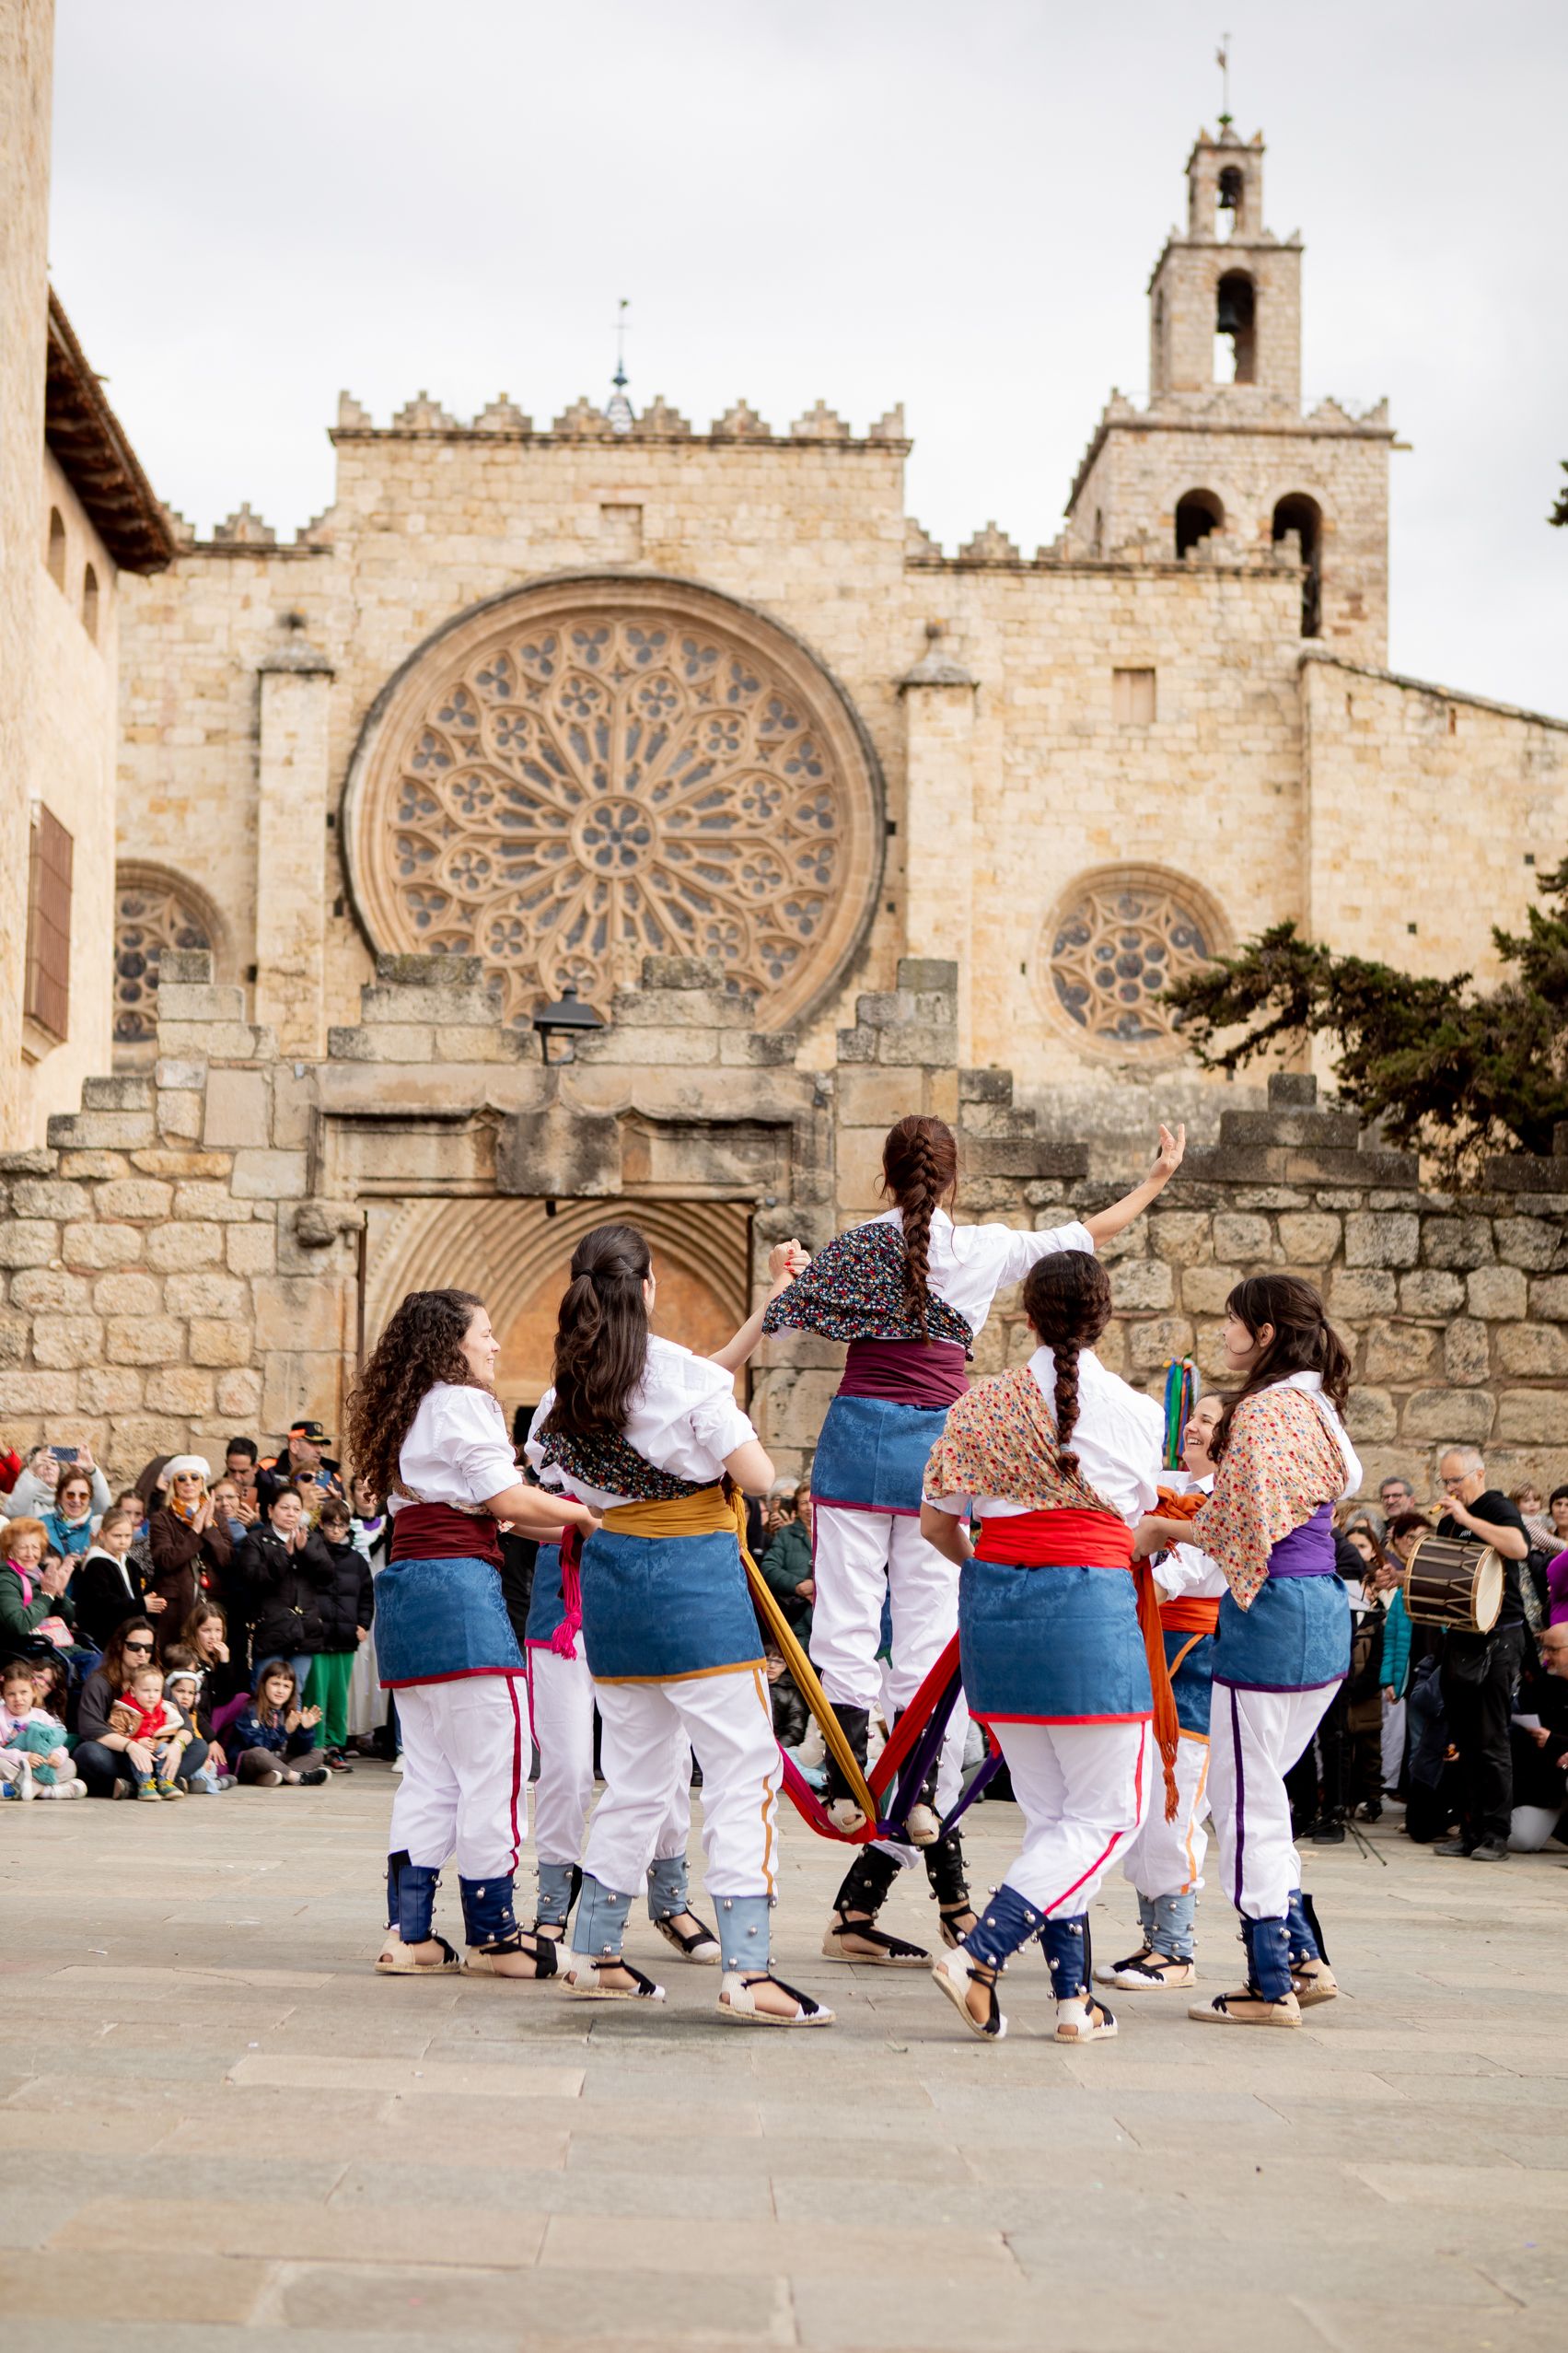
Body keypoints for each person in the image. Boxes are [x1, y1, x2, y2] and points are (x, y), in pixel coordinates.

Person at [761, 1112, 1186, 1971]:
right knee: (922, 1630)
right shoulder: (985, 1246)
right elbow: (1085, 1234)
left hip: (853, 1440)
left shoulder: (855, 1244)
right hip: (932, 1439)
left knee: (845, 1611)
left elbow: (788, 1316)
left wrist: (794, 1271)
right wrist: (1153, 1181)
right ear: (952, 1178)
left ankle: (849, 1784)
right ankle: (916, 1791)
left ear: (886, 1177)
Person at [528, 1225, 832, 2026]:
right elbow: (759, 1477)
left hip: (616, 1594)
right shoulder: (684, 1379)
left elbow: (570, 1486)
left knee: (634, 1780)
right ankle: (749, 1969)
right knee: (740, 1771)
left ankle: (591, 1950)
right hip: (695, 1587)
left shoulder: (560, 1397)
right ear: (651, 1286)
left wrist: (769, 1307)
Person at [919, 1249, 1170, 2044]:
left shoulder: (977, 1403)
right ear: (1104, 1319)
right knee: (1110, 1817)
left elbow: (936, 1524)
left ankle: (1073, 2000)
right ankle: (981, 1952)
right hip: (1086, 1616)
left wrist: (998, 1573)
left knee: (1055, 1820)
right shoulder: (1134, 1411)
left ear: (1025, 1315)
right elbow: (1125, 1531)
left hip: (998, 1616)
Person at [346, 1287, 599, 1982]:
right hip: (459, 1596)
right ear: (449, 1343)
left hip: (410, 1595)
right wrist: (591, 1519)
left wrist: (570, 1523)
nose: (493, 1344)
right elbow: (507, 1499)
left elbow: (502, 1517)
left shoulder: (408, 1409)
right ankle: (495, 1934)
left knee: (429, 1773)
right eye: (484, 1333)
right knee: (496, 1768)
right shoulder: (462, 1402)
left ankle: (410, 1933)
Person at [1134, 1275, 1359, 2028]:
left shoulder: (1264, 1410)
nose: (1223, 1335)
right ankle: (1299, 1957)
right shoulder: (1318, 1403)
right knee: (1263, 1795)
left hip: (1270, 1617)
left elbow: (1237, 1533)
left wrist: (1162, 1531)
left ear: (1263, 1332)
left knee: (1244, 1806)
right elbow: (1344, 1480)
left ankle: (1269, 1981)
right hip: (1323, 1611)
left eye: (1232, 1323)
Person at [1099, 1390, 1225, 1993]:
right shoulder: (1166, 1486)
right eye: (1193, 1415)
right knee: (1144, 1797)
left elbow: (1191, 1570)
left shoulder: (1229, 1497)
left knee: (1175, 1800)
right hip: (1149, 1647)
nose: (1193, 1425)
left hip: (1193, 1660)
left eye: (1207, 1418)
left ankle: (1175, 1949)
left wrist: (1138, 1561)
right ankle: (1154, 1941)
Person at [1432, 1446, 1530, 1863]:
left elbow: (1519, 1548)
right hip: (1461, 1637)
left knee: (1491, 1740)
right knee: (1464, 1741)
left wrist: (1468, 1519)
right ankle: (1470, 1830)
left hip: (1499, 1638)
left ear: (1479, 1475)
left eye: (1457, 1480)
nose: (1451, 1488)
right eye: (1445, 1481)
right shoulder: (1448, 1522)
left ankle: (1496, 1834)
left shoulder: (1496, 1507)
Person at [75, 1620, 211, 1798]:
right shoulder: (99, 1682)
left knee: (199, 1746)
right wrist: (131, 1746)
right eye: (134, 1646)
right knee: (89, 1753)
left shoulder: (155, 1682)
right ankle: (154, 1783)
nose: (142, 1653)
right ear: (120, 1646)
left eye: (148, 1648)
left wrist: (177, 1747)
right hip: (120, 1754)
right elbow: (91, 1729)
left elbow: (186, 1726)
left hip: (156, 1751)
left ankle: (138, 1785)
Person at [239, 1486, 334, 1688]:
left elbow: (328, 1575)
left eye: (296, 1509)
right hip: (270, 1630)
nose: (291, 1514)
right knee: (266, 1693)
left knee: (294, 1693)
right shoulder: (255, 1540)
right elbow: (252, 1578)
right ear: (271, 1510)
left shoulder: (312, 1540)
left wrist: (305, 1550)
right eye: (285, 1508)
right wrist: (284, 1554)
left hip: (305, 1631)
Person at [305, 1495, 374, 1770]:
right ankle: (315, 1745)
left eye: (340, 1525)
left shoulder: (356, 1560)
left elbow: (367, 1595)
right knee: (316, 1693)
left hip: (345, 1637)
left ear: (348, 1527)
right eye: (330, 1525)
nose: (335, 1530)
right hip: (317, 1635)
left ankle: (335, 1746)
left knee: (338, 1695)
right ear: (321, 1525)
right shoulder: (312, 1552)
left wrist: (363, 1624)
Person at [145, 1457, 233, 1658]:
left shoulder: (217, 1517)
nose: (189, 1483)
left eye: (195, 1477)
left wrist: (209, 1528)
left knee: (211, 1661)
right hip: (176, 1606)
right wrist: (195, 1531)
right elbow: (166, 1560)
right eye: (181, 1478)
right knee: (174, 1659)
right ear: (173, 1484)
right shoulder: (162, 1518)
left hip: (211, 1602)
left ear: (202, 1482)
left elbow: (226, 1560)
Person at [1509, 1622, 1568, 1850]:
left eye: (1553, 1650)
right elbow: (1525, 1739)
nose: (1546, 1656)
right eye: (1544, 1649)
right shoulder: (1541, 1687)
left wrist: (1555, 1741)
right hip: (1548, 1783)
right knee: (1520, 1839)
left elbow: (1549, 1739)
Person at [228, 1660, 331, 1786]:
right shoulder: (250, 1709)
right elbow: (259, 1745)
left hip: (276, 1762)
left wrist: (305, 1730)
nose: (280, 1691)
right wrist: (285, 1730)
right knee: (259, 1753)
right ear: (264, 1684)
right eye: (275, 1684)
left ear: (292, 1691)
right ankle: (295, 1777)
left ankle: (276, 1776)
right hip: (250, 1763)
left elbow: (300, 1750)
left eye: (286, 1686)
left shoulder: (290, 1712)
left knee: (316, 1753)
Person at [0, 1655, 83, 1798]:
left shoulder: (43, 1716)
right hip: (14, 1764)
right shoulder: (1, 1715)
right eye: (11, 1694)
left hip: (41, 1766)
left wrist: (58, 1755)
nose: (18, 1699)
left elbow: (58, 1744)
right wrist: (24, 1757)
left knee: (70, 1766)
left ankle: (29, 1788)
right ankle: (47, 1791)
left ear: (33, 1692)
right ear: (3, 1696)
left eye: (23, 1692)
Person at [110, 1661, 193, 1800]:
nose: (151, 1696)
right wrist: (136, 1742)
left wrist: (176, 1746)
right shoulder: (124, 1711)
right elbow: (115, 1733)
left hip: (156, 1746)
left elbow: (181, 1728)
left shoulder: (164, 1709)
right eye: (146, 1690)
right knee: (140, 1756)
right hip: (131, 1751)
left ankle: (165, 1782)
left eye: (156, 1691)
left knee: (168, 1748)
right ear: (133, 1691)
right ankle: (145, 1785)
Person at [71, 1508, 148, 1652]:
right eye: (117, 1536)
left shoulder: (131, 1564)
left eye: (127, 1536)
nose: (123, 1541)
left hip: (131, 1631)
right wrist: (141, 1604)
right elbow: (104, 1604)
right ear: (103, 1535)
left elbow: (138, 1595)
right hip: (104, 1636)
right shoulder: (95, 1564)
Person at [0, 1520, 76, 1654]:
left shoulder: (42, 1574)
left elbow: (67, 1620)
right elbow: (19, 1623)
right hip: (29, 1653)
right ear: (10, 1551)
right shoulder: (5, 1579)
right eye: (23, 1547)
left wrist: (59, 1593)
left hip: (55, 1647)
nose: (30, 1554)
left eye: (35, 1547)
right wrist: (47, 1595)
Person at [6, 1443, 111, 1521]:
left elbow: (101, 1507)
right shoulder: (26, 1501)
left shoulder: (69, 1498)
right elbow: (13, 1512)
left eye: (53, 1463)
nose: (48, 1467)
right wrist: (31, 1470)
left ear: (60, 1472)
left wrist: (91, 1469)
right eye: (43, 1463)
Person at [258, 1420, 343, 1513]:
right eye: (313, 1443)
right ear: (294, 1446)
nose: (320, 1450)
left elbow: (340, 1523)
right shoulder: (269, 1472)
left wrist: (337, 1505)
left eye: (321, 1445)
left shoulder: (331, 1476)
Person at [43, 1467, 99, 1560]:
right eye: (70, 1495)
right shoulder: (43, 1525)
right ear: (59, 1497)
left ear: (90, 1498)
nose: (76, 1500)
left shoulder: (98, 1527)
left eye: (83, 1495)